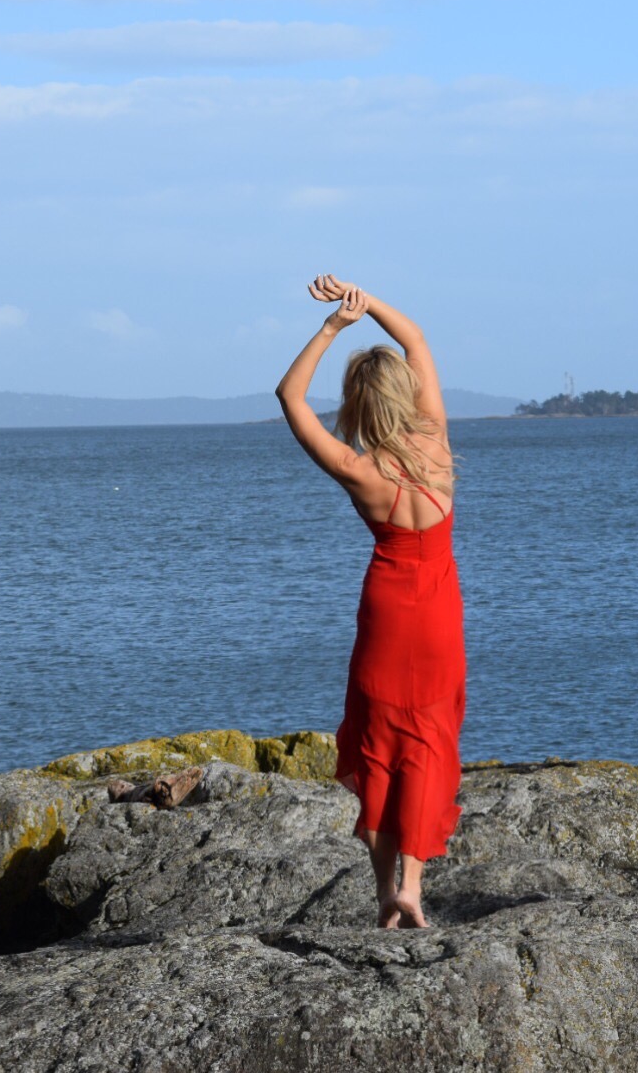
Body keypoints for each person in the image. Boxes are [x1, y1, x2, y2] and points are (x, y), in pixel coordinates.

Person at [275, 273, 465, 930]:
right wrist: (365, 297)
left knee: (381, 738)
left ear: (360, 403)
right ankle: (413, 887)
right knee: (429, 739)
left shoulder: (358, 469)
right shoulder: (437, 443)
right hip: (439, 612)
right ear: (406, 394)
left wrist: (333, 327)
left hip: (386, 610)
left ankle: (387, 892)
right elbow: (413, 335)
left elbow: (289, 396)